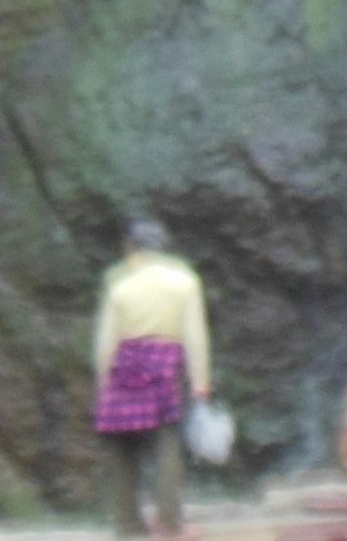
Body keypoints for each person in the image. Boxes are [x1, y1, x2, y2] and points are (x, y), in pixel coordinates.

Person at [93, 218, 214, 537]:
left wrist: (103, 383)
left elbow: (106, 341)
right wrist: (200, 381)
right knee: (166, 446)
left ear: (131, 247)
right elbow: (195, 336)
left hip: (124, 365)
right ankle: (170, 523)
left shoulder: (118, 282)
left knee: (121, 447)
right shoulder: (184, 281)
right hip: (163, 365)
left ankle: (127, 524)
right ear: (162, 247)